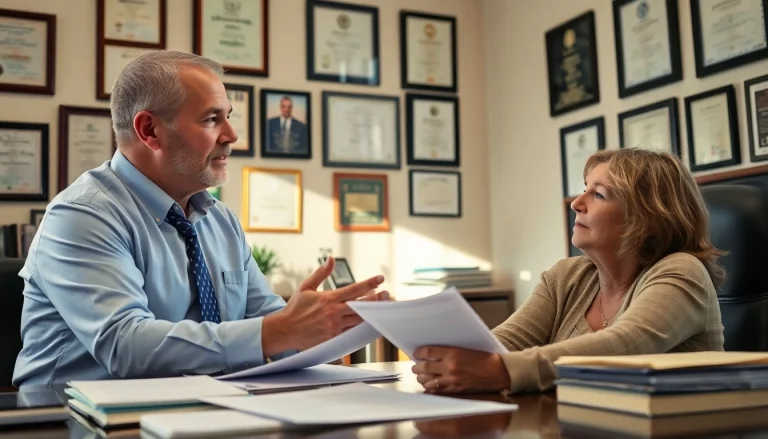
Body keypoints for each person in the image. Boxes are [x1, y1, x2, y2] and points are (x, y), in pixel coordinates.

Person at [12, 50, 388, 389]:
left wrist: (329, 330)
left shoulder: (220, 220)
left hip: (204, 409)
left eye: (228, 117)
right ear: (149, 131)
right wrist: (280, 330)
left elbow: (270, 323)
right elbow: (124, 345)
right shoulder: (82, 215)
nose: (232, 135)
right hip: (69, 419)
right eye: (212, 119)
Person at [412, 148, 725, 395]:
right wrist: (448, 362)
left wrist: (500, 371)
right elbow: (501, 344)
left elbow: (626, 345)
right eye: (584, 189)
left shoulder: (683, 271)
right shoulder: (566, 276)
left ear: (647, 218)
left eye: (598, 194)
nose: (576, 203)